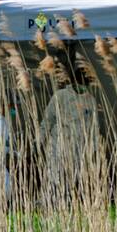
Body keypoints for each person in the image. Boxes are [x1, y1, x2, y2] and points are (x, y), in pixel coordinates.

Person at [41, 66, 100, 203]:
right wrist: (39, 142)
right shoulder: (60, 96)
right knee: (53, 176)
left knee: (72, 179)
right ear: (73, 81)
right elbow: (47, 121)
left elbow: (94, 128)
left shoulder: (90, 100)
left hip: (78, 147)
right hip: (58, 145)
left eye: (85, 84)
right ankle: (48, 204)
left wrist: (94, 150)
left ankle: (66, 205)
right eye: (80, 83)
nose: (83, 87)